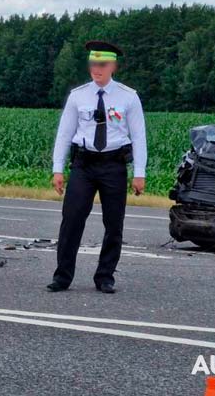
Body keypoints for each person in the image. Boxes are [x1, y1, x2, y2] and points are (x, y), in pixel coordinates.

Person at [47, 41, 147, 294]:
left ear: (113, 65)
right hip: (84, 164)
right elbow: (64, 134)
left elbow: (139, 137)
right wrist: (58, 169)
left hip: (113, 165)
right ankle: (63, 276)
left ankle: (105, 276)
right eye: (93, 64)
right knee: (71, 219)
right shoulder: (78, 95)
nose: (97, 69)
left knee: (114, 224)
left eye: (102, 64)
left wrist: (139, 173)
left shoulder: (128, 97)